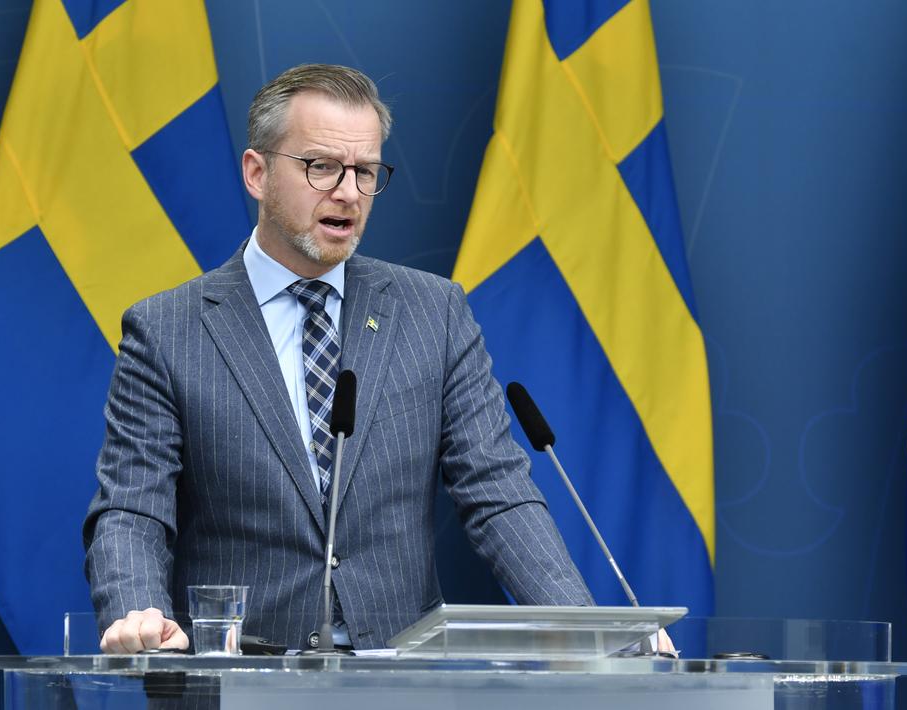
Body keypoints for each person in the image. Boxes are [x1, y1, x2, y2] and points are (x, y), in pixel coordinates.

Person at [83, 64, 592, 654]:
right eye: (321, 166)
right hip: (239, 677)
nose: (349, 193)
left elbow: (497, 491)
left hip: (397, 678)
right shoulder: (168, 330)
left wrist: (586, 631)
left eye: (365, 171)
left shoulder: (434, 313)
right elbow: (132, 508)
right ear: (257, 173)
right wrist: (138, 615)